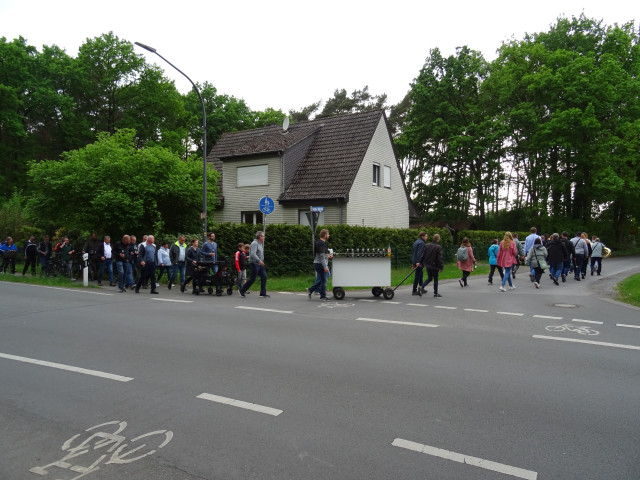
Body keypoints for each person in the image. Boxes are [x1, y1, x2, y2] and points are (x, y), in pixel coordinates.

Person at [239, 231, 268, 298]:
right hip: (254, 263)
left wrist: (261, 261)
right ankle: (242, 290)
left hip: (260, 263)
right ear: (260, 237)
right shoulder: (254, 243)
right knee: (252, 278)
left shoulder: (260, 243)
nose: (264, 237)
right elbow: (252, 254)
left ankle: (263, 293)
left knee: (264, 277)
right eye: (263, 236)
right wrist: (259, 261)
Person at [307, 229, 332, 301]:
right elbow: (321, 257)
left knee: (323, 279)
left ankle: (311, 290)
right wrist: (325, 267)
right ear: (325, 235)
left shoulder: (320, 243)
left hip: (318, 263)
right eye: (328, 234)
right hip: (320, 264)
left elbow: (321, 255)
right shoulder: (321, 244)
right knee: (323, 280)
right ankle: (322, 296)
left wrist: (328, 256)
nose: (329, 235)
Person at [419, 233, 444, 297]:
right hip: (434, 265)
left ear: (433, 238)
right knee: (435, 278)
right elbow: (439, 258)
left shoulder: (427, 245)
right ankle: (435, 293)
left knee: (430, 278)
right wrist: (441, 267)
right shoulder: (438, 247)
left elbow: (423, 255)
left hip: (427, 264)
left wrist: (421, 262)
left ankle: (422, 287)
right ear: (438, 239)